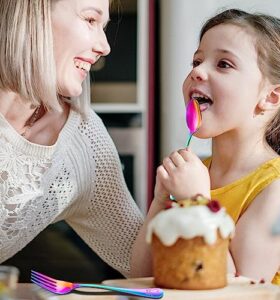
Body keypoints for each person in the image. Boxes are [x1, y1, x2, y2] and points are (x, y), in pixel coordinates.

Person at [134, 9, 280, 285]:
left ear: (271, 97)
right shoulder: (199, 173)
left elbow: (238, 289)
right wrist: (160, 202)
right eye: (197, 61)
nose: (197, 71)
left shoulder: (278, 190)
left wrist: (197, 202)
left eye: (223, 64)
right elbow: (142, 275)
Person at [0, 0, 148, 278]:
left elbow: (144, 266)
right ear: (35, 14)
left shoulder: (83, 141)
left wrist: (177, 201)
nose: (104, 46)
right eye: (91, 20)